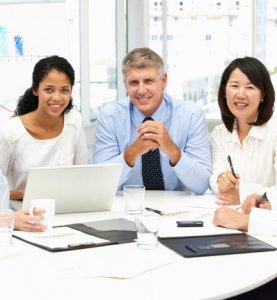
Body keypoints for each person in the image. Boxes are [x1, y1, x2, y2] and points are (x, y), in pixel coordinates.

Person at [92, 47, 211, 193]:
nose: (141, 90)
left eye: (148, 81)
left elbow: (202, 185)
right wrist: (131, 153)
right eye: (134, 83)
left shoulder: (191, 115)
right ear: (125, 85)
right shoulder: (109, 116)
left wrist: (172, 150)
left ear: (164, 81)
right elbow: (99, 186)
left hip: (178, 208)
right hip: (127, 207)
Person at [0, 55, 89, 201]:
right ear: (35, 89)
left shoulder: (74, 122)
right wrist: (23, 194)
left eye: (64, 90)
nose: (57, 98)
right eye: (49, 90)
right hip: (23, 214)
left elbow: (84, 177)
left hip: (67, 211)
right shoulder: (11, 132)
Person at [209, 56, 276, 205]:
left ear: (263, 94)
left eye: (250, 87)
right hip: (228, 216)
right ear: (225, 91)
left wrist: (242, 195)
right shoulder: (219, 134)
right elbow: (215, 175)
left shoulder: (274, 132)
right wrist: (220, 179)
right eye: (234, 86)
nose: (240, 94)